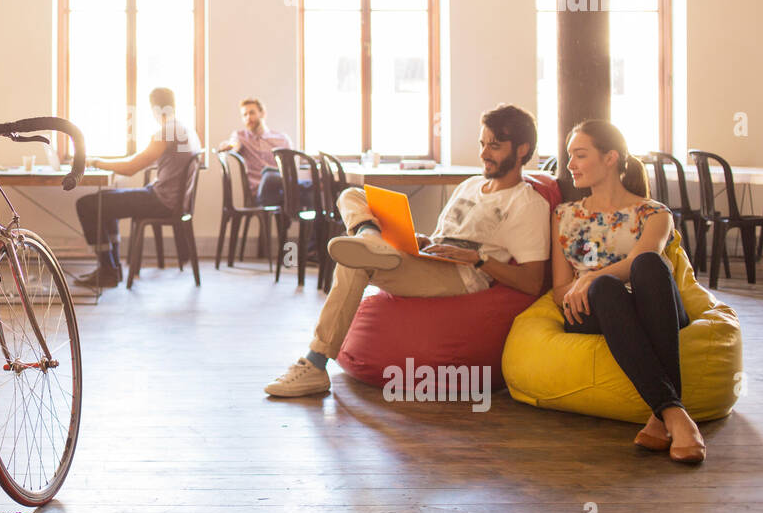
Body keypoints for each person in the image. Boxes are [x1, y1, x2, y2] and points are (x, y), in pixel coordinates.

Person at [265, 104, 551, 397]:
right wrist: (424, 241)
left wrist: (479, 260)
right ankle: (370, 235)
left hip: (461, 275)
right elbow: (448, 235)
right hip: (431, 256)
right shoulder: (470, 185)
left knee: (355, 262)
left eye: (495, 146)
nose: (484, 153)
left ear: (521, 149)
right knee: (351, 194)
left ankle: (315, 364)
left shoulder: (526, 204)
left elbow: (532, 282)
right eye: (482, 143)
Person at [553, 119, 706, 463]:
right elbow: (559, 288)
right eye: (569, 156)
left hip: (657, 306)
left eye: (580, 155)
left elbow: (641, 258)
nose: (570, 165)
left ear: (610, 158)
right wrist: (583, 287)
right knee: (606, 287)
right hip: (594, 310)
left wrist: (589, 276)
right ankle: (676, 415)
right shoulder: (565, 216)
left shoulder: (654, 213)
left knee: (649, 265)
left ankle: (663, 416)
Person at [74, 87, 202, 289]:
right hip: (171, 200)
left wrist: (96, 162)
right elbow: (140, 161)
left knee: (87, 204)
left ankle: (108, 269)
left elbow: (131, 167)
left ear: (153, 109)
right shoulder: (186, 130)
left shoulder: (168, 131)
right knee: (105, 202)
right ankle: (111, 268)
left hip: (161, 201)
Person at [215, 98, 293, 206]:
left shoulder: (282, 138)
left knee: (303, 190)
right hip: (259, 190)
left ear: (262, 114)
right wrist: (228, 145)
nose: (248, 118)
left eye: (251, 113)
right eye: (244, 115)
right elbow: (233, 145)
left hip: (282, 189)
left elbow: (290, 168)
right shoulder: (240, 136)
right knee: (269, 176)